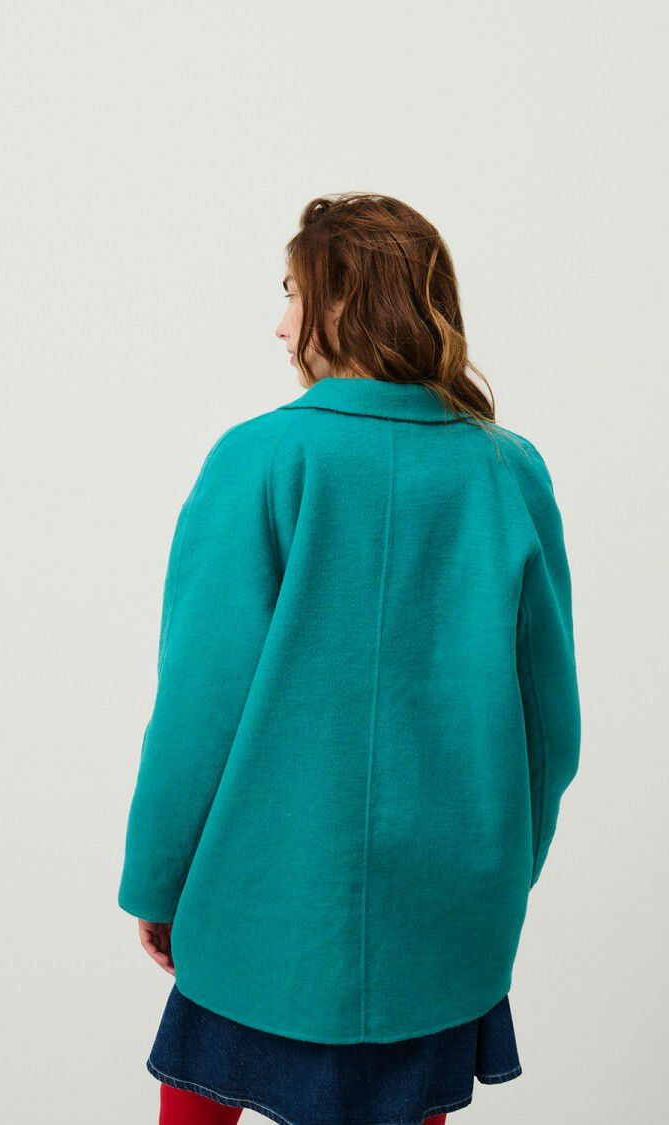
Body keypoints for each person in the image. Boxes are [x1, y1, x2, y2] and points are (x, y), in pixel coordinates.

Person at [117, 192, 581, 1125]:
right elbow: (550, 725)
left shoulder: (260, 458)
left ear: (339, 302)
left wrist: (157, 878)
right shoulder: (507, 471)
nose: (280, 323)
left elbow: (200, 702)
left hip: (260, 907)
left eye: (293, 294)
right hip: (440, 915)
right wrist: (497, 872)